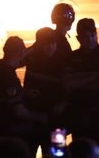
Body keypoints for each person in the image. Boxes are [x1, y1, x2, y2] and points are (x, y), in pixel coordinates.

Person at [64, 18, 99, 147]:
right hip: (80, 113)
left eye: (92, 35)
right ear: (78, 38)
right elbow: (67, 83)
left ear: (96, 34)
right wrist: (94, 76)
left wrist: (78, 80)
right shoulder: (71, 57)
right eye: (85, 36)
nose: (90, 39)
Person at [0, 36, 45, 143]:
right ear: (20, 53)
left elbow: (3, 94)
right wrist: (42, 118)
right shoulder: (8, 75)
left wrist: (23, 93)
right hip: (12, 131)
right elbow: (19, 111)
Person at [22, 27, 64, 156]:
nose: (50, 47)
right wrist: (33, 48)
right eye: (45, 43)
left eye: (52, 43)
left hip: (55, 121)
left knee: (58, 154)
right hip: (32, 119)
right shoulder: (31, 58)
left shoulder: (61, 61)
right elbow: (15, 60)